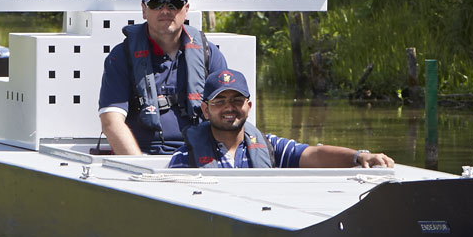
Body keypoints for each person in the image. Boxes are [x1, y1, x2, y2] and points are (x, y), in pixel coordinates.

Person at [97, 0, 230, 155]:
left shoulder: (209, 54)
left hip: (198, 158)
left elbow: (226, 115)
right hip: (143, 157)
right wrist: (142, 169)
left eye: (173, 3)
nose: (165, 10)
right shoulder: (121, 56)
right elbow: (111, 122)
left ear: (186, 9)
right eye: (156, 3)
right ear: (144, 10)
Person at [169, 69, 396, 169]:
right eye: (220, 102)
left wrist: (359, 156)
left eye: (237, 100)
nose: (229, 107)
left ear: (249, 106)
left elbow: (314, 155)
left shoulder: (271, 147)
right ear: (206, 110)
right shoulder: (184, 158)